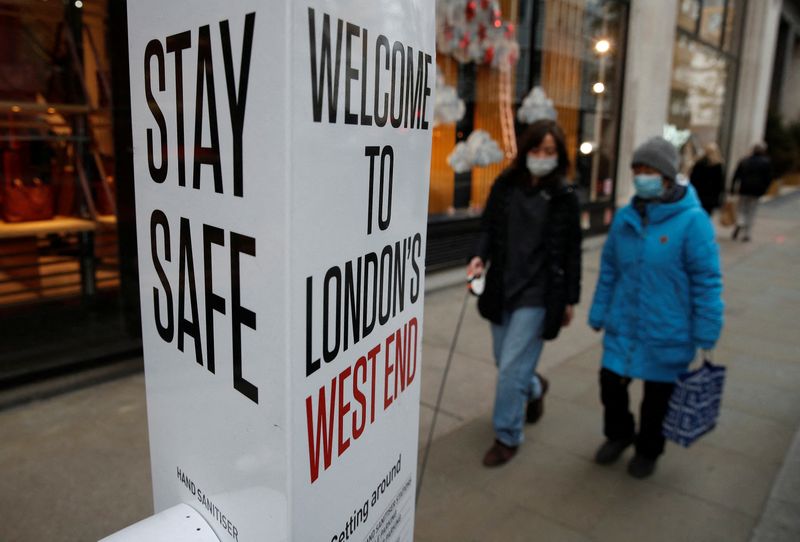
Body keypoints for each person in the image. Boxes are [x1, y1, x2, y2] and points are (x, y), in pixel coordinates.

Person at [588, 136, 723, 479]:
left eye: (648, 170)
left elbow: (707, 280)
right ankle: (619, 434)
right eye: (637, 170)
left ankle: (649, 449)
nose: (641, 177)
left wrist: (707, 328)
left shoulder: (693, 222)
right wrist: (599, 310)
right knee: (610, 385)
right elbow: (609, 271)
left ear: (666, 175)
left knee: (657, 400)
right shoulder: (624, 218)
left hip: (668, 331)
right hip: (624, 325)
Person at [466, 119, 582, 467]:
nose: (542, 156)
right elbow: (488, 227)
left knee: (510, 370)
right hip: (503, 287)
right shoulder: (505, 185)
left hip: (540, 293)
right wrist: (478, 257)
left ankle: (507, 434)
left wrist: (570, 299)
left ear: (558, 155)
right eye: (536, 149)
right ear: (525, 149)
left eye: (549, 151)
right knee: (507, 362)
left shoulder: (564, 196)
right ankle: (534, 387)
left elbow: (572, 251)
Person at [731, 142, 773, 242]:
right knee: (752, 211)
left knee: (742, 208)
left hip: (744, 188)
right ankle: (747, 233)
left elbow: (736, 175)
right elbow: (768, 178)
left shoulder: (745, 160)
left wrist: (733, 187)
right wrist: (765, 188)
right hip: (756, 190)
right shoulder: (766, 162)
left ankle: (740, 222)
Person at [689, 142, 725, 215]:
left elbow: (693, 179)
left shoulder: (698, 163)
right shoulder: (718, 165)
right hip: (711, 197)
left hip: (699, 194)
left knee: (697, 213)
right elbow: (720, 183)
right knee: (707, 215)